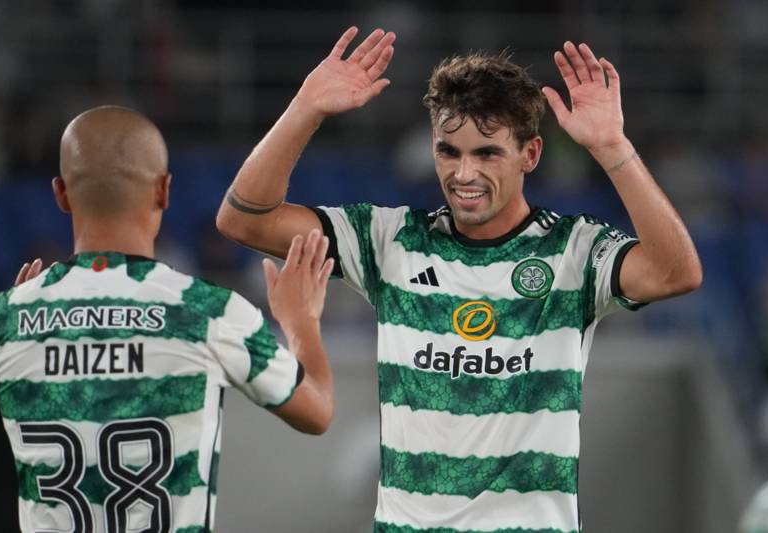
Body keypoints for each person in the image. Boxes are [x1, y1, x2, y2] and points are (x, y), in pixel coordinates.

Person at [216, 27, 702, 533]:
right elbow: (244, 220)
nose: (464, 173)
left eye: (487, 153)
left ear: (530, 154)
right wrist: (306, 108)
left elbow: (676, 273)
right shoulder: (389, 240)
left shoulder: (573, 251)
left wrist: (612, 147)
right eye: (449, 151)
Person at [0, 105, 335, 532]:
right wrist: (301, 320)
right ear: (163, 190)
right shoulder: (211, 311)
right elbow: (317, 411)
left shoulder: (0, 321)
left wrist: (9, 348)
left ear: (61, 194)